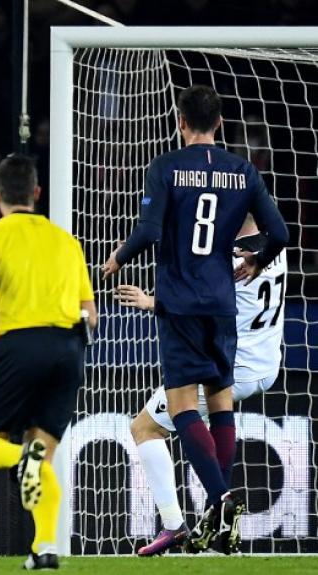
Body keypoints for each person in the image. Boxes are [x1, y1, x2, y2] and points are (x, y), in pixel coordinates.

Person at [101, 85, 289, 554]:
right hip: (232, 322)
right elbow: (280, 233)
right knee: (220, 408)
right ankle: (218, 523)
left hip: (183, 305)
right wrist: (258, 259)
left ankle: (216, 504)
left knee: (175, 409)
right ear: (220, 122)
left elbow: (148, 231)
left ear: (180, 121)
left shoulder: (166, 166)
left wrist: (118, 259)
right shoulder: (243, 172)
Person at [0, 153, 97, 570]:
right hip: (70, 349)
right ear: (37, 193)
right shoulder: (67, 241)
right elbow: (91, 313)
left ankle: (19, 458)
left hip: (22, 344)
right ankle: (44, 548)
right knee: (41, 453)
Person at [120, 215, 287, 556]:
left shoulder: (229, 256)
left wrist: (150, 301)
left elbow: (196, 307)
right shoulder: (273, 247)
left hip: (235, 366)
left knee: (145, 428)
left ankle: (176, 524)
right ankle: (216, 522)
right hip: (268, 362)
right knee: (215, 424)